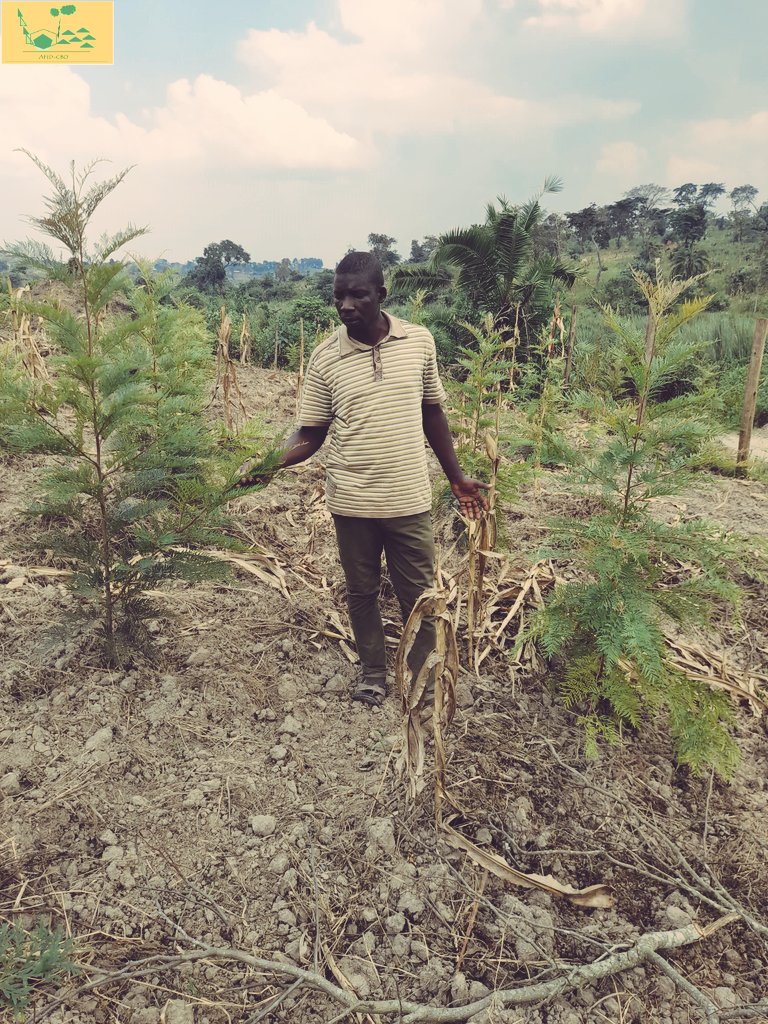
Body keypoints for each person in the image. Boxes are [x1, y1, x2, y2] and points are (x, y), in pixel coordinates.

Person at [238, 251, 488, 707]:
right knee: (362, 591)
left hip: (408, 497)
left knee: (419, 594)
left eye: (358, 295)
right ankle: (373, 672)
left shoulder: (419, 342)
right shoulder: (325, 358)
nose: (346, 305)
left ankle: (426, 678)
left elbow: (433, 411)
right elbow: (311, 432)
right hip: (351, 500)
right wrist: (265, 466)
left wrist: (456, 478)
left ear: (381, 295)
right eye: (338, 296)